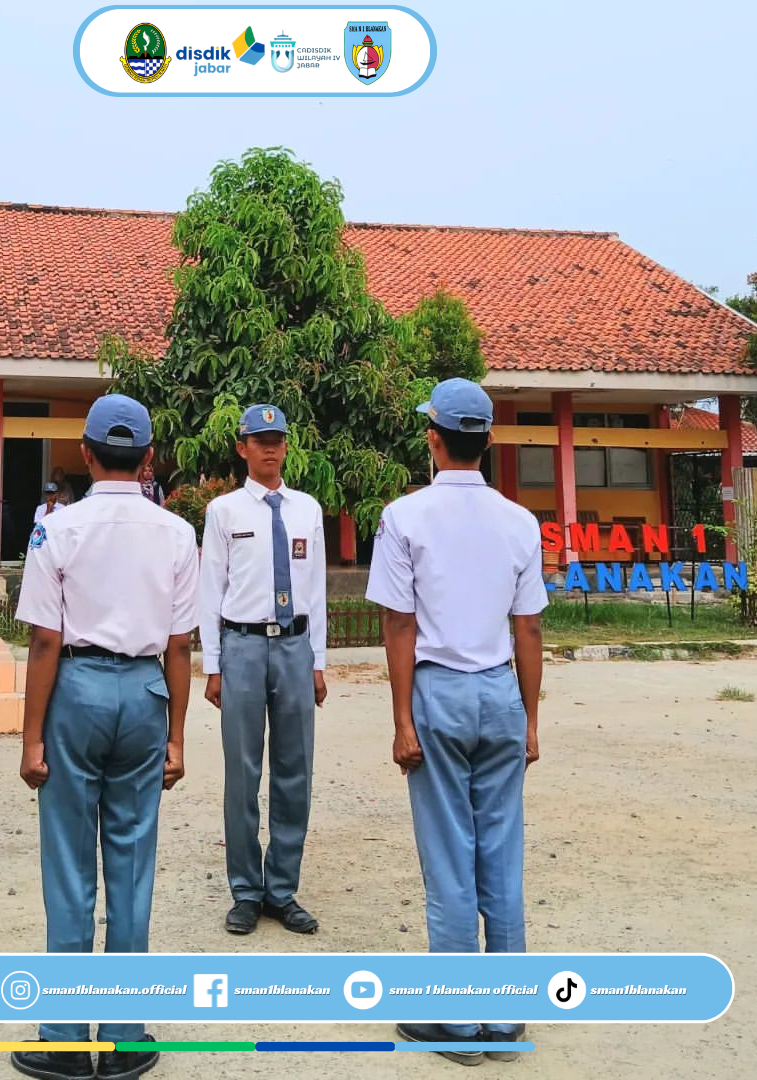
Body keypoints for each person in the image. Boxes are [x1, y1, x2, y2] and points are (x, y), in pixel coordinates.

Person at [13, 393, 198, 1080]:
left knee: (68, 865)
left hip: (76, 689)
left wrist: (31, 738)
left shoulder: (57, 529)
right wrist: (178, 736)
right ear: (149, 458)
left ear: (85, 454)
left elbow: (43, 640)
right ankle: (123, 1036)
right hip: (146, 693)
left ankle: (62, 1036)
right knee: (130, 863)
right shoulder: (176, 533)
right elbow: (180, 646)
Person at [365, 378, 547, 1066]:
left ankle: (456, 1018)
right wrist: (529, 719)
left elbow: (400, 625)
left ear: (433, 439)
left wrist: (402, 720)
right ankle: (505, 1019)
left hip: (438, 693)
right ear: (488, 442)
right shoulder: (519, 522)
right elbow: (527, 629)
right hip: (500, 691)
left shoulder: (405, 516)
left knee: (448, 859)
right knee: (501, 855)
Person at [199, 403, 327, 936]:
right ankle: (246, 891)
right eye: (260, 439)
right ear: (242, 447)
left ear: (286, 446)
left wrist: (318, 660)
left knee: (295, 771)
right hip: (244, 647)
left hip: (295, 646)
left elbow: (315, 588)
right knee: (243, 773)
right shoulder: (224, 511)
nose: (270, 447)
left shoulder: (307, 509)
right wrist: (213, 664)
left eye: (277, 438)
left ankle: (282, 889)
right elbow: (211, 588)